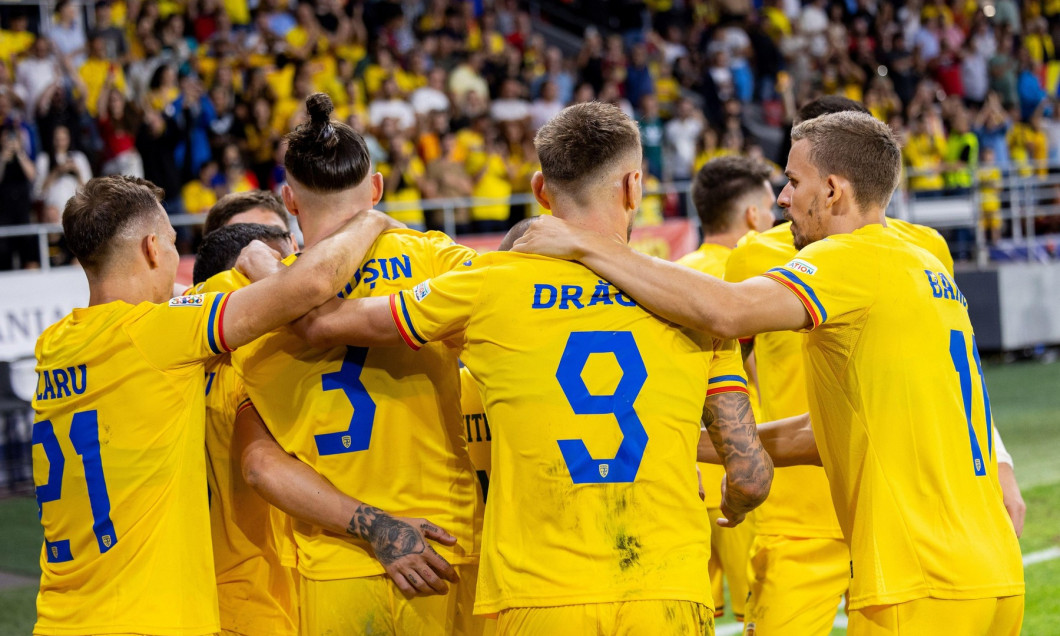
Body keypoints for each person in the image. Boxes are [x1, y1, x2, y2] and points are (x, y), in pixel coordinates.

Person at [512, 111, 1025, 635]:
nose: (780, 198)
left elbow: (726, 312)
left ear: (831, 191)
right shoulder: (924, 261)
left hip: (920, 577)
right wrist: (685, 442)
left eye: (792, 181)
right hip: (992, 570)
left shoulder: (848, 257)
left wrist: (585, 244)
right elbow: (822, 434)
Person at [276, 101, 774, 635]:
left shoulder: (485, 284)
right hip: (665, 585)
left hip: (536, 594)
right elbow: (750, 474)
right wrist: (734, 503)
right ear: (635, 187)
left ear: (540, 190)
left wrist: (348, 230)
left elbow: (316, 320)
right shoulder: (695, 303)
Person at [30, 174, 397, 634]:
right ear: (151, 249)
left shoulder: (55, 346)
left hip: (60, 619)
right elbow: (311, 284)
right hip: (146, 620)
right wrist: (370, 219)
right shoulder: (158, 334)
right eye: (170, 241)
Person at [203, 92, 486, 636]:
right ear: (376, 189)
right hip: (446, 548)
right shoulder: (436, 259)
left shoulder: (246, 297)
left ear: (288, 198)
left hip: (337, 560)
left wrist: (260, 261)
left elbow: (260, 464)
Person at [675, 155, 776, 622]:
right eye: (771, 208)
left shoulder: (674, 275)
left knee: (700, 615)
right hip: (736, 462)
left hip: (682, 471)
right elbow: (754, 370)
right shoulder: (759, 274)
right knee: (759, 614)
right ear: (752, 216)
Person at [190, 222, 300, 636]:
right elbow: (262, 468)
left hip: (194, 598)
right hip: (253, 603)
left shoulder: (174, 364)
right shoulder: (254, 365)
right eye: (282, 261)